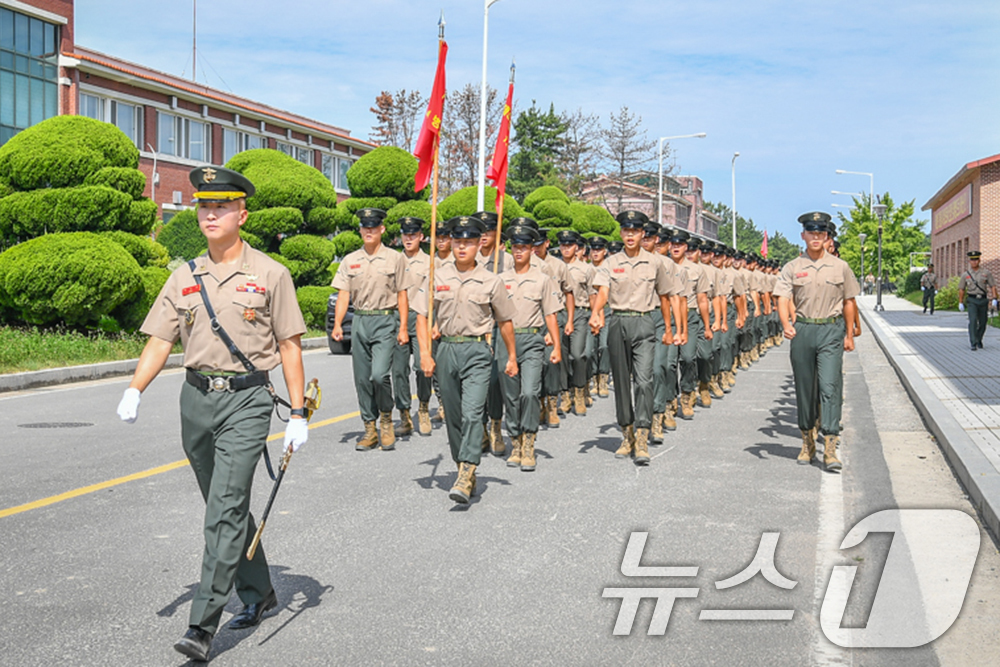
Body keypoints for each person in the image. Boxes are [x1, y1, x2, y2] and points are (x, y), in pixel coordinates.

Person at [116, 166, 308, 662]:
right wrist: (135, 388)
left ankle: (202, 624)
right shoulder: (184, 276)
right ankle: (261, 593)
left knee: (223, 508)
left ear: (242, 214)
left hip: (247, 400)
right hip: (196, 400)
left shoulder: (271, 274)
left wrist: (298, 413)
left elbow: (289, 346)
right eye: (204, 205)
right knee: (223, 505)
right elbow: (162, 339)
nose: (210, 213)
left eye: (221, 206)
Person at [414, 216, 518, 504]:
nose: (462, 247)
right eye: (457, 241)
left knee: (473, 413)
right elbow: (421, 316)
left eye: (468, 242)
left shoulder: (491, 280)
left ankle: (468, 468)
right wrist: (425, 353)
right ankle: (462, 465)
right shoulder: (436, 276)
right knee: (454, 416)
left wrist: (511, 356)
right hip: (446, 350)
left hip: (477, 351)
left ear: (477, 244)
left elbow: (505, 320)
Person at [590, 210, 684, 465]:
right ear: (621, 233)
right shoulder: (611, 262)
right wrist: (597, 312)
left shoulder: (655, 263)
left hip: (644, 323)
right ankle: (627, 434)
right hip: (618, 320)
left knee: (644, 381)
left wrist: (668, 328)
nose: (630, 235)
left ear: (643, 234)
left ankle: (642, 437)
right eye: (626, 230)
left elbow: (665, 296)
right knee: (620, 382)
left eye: (635, 231)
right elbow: (603, 290)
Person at [775, 211, 859, 472]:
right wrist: (786, 325)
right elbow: (782, 298)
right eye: (811, 233)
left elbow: (849, 301)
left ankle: (830, 446)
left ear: (826, 237)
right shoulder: (792, 267)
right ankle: (807, 440)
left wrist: (849, 334)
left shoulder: (840, 266)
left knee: (830, 385)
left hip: (830, 331)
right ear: (803, 235)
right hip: (803, 330)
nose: (816, 237)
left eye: (820, 234)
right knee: (805, 388)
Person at [331, 208, 411, 451]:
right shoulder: (349, 260)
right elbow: (344, 294)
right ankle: (369, 427)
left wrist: (404, 328)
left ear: (382, 230)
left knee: (379, 375)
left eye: (373, 227)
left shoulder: (395, 258)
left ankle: (386, 418)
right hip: (360, 321)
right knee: (362, 378)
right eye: (365, 227)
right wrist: (337, 323)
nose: (369, 231)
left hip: (385, 320)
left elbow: (402, 294)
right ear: (360, 230)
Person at [498, 224, 562, 470]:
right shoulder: (501, 279)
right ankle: (515, 442)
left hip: (533, 341)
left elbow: (550, 316)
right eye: (515, 247)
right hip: (507, 341)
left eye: (524, 247)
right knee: (511, 396)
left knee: (529, 393)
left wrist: (556, 346)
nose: (518, 251)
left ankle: (528, 442)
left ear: (532, 250)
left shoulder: (542, 280)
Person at [392, 217, 433, 436]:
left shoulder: (429, 263)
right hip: (398, 320)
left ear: (421, 237)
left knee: (421, 366)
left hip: (421, 319)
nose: (408, 238)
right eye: (405, 234)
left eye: (413, 234)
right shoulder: (394, 260)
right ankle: (404, 415)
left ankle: (424, 407)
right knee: (398, 370)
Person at [556, 229, 596, 416]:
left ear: (576, 247)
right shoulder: (554, 267)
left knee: (578, 355)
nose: (565, 248)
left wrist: (596, 315)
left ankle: (579, 391)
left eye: (569, 245)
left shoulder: (586, 269)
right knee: (562, 356)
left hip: (580, 313)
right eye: (563, 245)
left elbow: (592, 294)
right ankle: (565, 394)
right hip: (558, 313)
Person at [958, 251, 998, 351]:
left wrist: (994, 298)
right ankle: (973, 342)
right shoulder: (965, 275)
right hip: (972, 300)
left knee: (983, 322)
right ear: (969, 261)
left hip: (983, 300)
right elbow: (961, 289)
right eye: (972, 260)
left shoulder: (986, 273)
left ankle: (979, 338)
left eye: (976, 259)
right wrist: (960, 302)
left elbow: (992, 286)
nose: (974, 262)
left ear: (979, 260)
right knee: (973, 320)